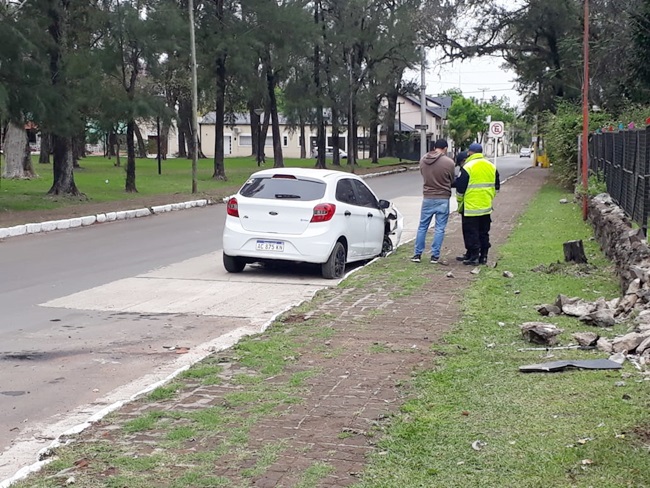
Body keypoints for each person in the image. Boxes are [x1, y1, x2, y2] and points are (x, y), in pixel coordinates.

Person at [410, 139, 456, 264]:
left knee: (422, 226)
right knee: (440, 228)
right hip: (443, 197)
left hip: (428, 197)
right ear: (445, 148)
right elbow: (452, 179)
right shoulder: (449, 162)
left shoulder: (423, 160)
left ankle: (417, 254)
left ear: (435, 147)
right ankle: (435, 256)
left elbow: (423, 174)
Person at [454, 143, 500, 266]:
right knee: (484, 232)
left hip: (470, 206)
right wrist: (489, 197)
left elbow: (460, 189)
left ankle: (473, 256)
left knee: (471, 232)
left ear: (470, 153)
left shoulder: (468, 167)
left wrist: (460, 202)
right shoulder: (491, 166)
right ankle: (483, 256)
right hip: (486, 206)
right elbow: (496, 186)